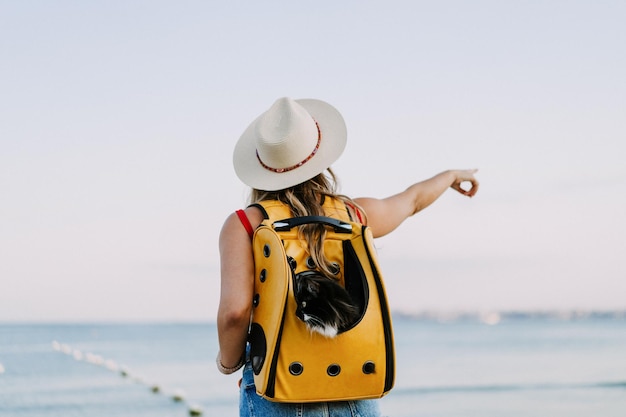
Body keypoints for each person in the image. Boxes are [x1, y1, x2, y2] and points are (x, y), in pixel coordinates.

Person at [216, 97, 479, 417]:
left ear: (262, 166)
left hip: (278, 387)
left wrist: (228, 362)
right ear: (318, 159)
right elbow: (412, 200)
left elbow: (235, 312)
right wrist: (451, 175)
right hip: (353, 381)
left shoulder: (246, 225)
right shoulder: (353, 215)